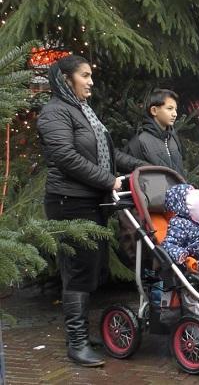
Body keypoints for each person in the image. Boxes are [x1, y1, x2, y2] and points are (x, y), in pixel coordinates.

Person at [37, 55, 147, 367]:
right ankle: (76, 342)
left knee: (92, 269)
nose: (91, 81)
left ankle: (81, 335)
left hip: (90, 201)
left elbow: (110, 155)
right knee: (78, 271)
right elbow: (65, 156)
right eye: (85, 75)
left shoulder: (83, 111)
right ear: (66, 78)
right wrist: (108, 180)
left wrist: (144, 167)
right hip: (68, 201)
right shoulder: (54, 112)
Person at [125, 88, 184, 176]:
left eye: (175, 109)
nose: (175, 114)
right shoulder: (139, 142)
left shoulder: (173, 138)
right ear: (154, 110)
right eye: (170, 108)